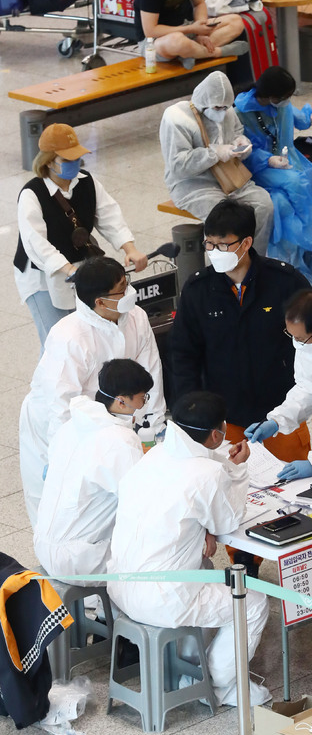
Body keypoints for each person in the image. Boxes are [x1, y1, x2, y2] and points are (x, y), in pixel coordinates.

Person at [107, 391, 270, 707]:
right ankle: (218, 682)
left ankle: (192, 670)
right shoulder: (207, 473)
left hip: (120, 585)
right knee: (253, 603)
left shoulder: (153, 455)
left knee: (205, 572)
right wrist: (237, 470)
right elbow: (228, 521)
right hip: (160, 598)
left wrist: (201, 531)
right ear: (217, 434)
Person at [19, 257, 166, 528]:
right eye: (122, 289)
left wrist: (153, 427)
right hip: (56, 424)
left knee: (108, 502)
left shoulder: (136, 317)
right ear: (100, 302)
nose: (130, 292)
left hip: (109, 417)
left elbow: (149, 374)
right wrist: (63, 456)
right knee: (56, 505)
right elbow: (61, 405)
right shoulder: (69, 336)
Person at [170, 199, 311, 460]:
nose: (214, 251)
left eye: (223, 245)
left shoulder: (285, 283)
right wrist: (192, 411)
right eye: (209, 244)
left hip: (281, 414)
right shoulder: (198, 290)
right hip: (224, 420)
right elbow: (183, 354)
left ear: (246, 243)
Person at [13, 123, 147, 348]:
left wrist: (129, 248)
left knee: (87, 338)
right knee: (57, 342)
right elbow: (35, 243)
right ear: (48, 162)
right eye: (67, 160)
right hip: (42, 275)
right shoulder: (31, 194)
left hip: (77, 267)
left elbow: (109, 215)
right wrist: (68, 269)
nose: (74, 164)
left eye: (76, 158)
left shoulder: (87, 182)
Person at [33, 359, 154, 585]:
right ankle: (114, 613)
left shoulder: (71, 426)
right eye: (142, 397)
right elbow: (141, 504)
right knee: (163, 548)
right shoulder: (120, 440)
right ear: (121, 401)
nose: (144, 403)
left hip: (43, 544)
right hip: (81, 560)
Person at [234, 66, 312, 285]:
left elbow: (296, 116)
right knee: (296, 186)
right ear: (271, 95)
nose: (287, 101)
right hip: (262, 168)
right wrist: (267, 159)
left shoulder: (280, 103)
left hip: (290, 161)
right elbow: (242, 150)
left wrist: (311, 118)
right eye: (285, 97)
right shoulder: (241, 111)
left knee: (282, 205)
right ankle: (304, 247)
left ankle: (301, 263)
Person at [244, 289, 312, 481]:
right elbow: (309, 387)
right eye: (291, 335)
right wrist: (277, 421)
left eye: (301, 339)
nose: (297, 344)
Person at [159, 70, 273, 252]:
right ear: (203, 102)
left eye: (226, 107)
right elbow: (178, 165)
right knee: (224, 218)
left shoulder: (227, 112)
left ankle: (253, 262)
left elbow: (236, 132)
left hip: (230, 178)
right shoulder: (177, 118)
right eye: (218, 108)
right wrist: (214, 154)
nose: (223, 112)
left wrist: (241, 144)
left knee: (263, 204)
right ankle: (224, 269)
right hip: (194, 185)